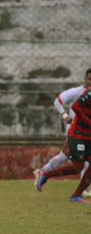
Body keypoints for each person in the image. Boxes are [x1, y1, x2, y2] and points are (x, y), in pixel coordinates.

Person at [34, 68, 91, 196]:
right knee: (77, 161)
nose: (90, 82)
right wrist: (65, 116)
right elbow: (58, 101)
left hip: (86, 132)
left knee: (65, 157)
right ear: (85, 79)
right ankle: (83, 190)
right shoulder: (78, 92)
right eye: (89, 79)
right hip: (76, 131)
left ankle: (43, 172)